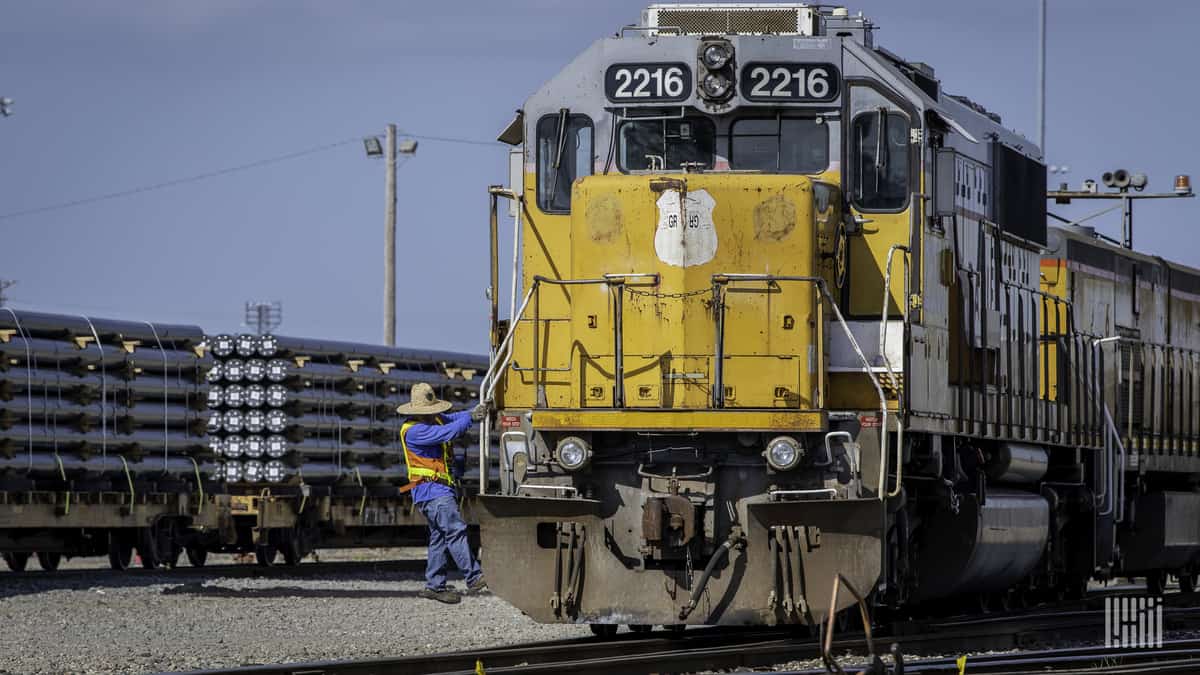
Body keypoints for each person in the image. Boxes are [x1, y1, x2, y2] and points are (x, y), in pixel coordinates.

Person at [397, 381, 489, 604]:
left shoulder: (433, 419)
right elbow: (450, 431)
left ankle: (434, 586)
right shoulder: (416, 431)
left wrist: (472, 412)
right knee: (455, 530)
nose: (434, 414)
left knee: (439, 538)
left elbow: (453, 419)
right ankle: (474, 577)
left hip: (435, 490)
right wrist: (472, 418)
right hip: (432, 491)